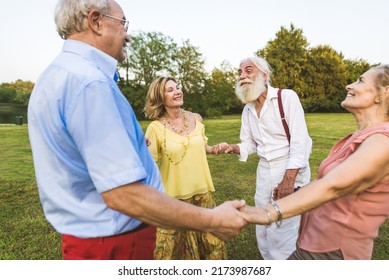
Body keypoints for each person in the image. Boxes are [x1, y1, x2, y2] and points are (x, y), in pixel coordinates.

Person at [27, 0, 246, 260]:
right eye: (122, 23)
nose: (127, 35)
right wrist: (211, 220)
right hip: (115, 244)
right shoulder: (90, 84)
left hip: (93, 239)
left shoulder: (60, 74)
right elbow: (124, 193)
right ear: (96, 21)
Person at [240, 64, 389, 260]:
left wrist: (264, 213)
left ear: (383, 94)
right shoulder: (359, 137)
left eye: (360, 80)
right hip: (313, 242)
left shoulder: (383, 140)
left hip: (334, 252)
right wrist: (299, 192)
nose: (348, 86)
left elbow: (333, 186)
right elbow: (337, 188)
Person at [223, 56, 312, 260]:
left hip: (290, 168)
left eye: (248, 70)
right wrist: (233, 147)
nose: (242, 76)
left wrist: (288, 180)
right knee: (262, 228)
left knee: (283, 230)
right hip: (264, 171)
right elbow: (249, 144)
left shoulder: (287, 97)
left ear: (264, 75)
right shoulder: (248, 109)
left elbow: (300, 142)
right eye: (239, 72)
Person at [144, 76, 229, 260]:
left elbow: (202, 147)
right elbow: (147, 163)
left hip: (202, 192)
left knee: (211, 244)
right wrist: (138, 148)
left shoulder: (196, 118)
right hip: (172, 200)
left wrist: (215, 148)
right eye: (170, 90)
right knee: (168, 251)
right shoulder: (156, 128)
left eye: (178, 87)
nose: (177, 91)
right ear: (160, 98)